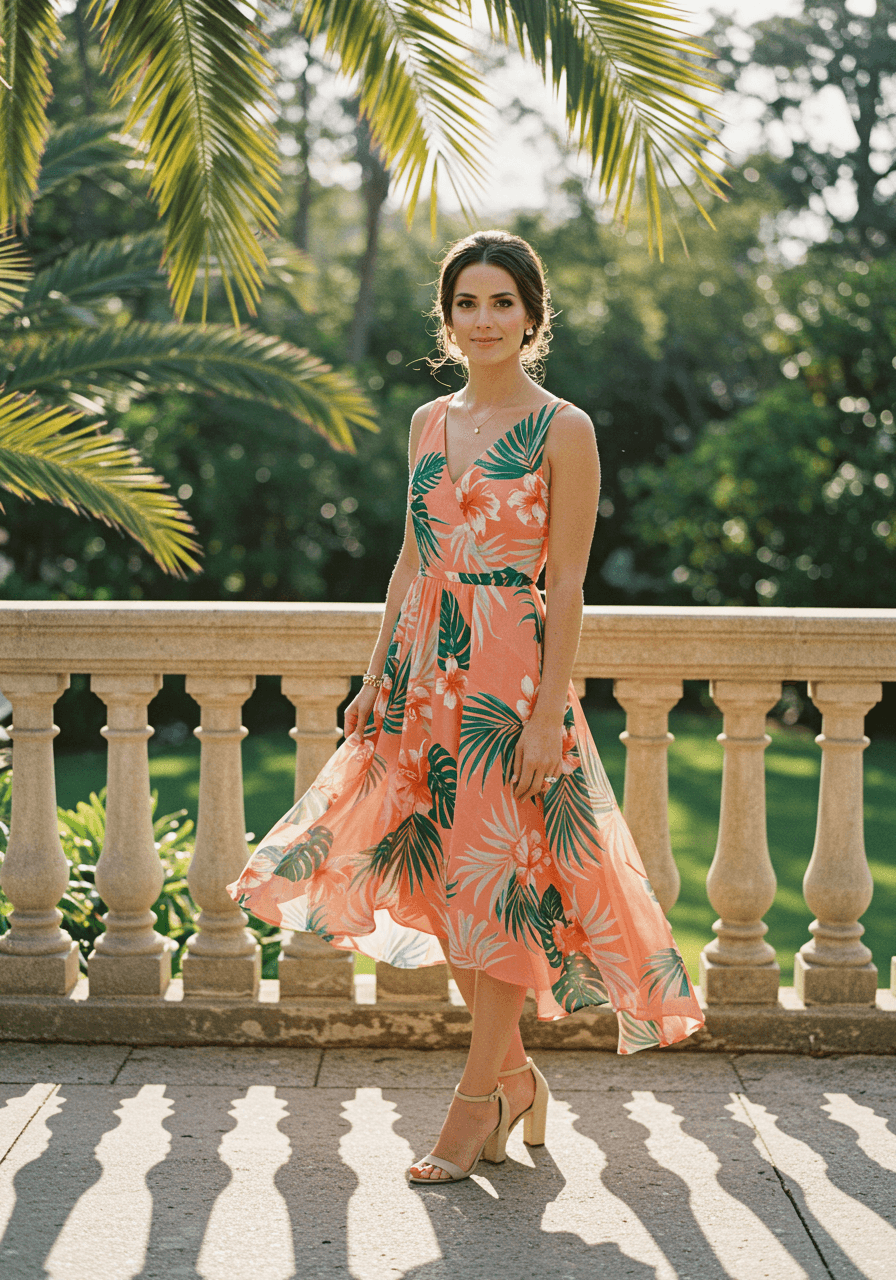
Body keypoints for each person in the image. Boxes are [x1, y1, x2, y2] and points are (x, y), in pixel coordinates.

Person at [227, 229, 704, 1184]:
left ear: (532, 317)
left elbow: (565, 582)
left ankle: (476, 1100)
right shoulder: (428, 423)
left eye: (502, 303)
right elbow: (410, 558)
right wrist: (374, 677)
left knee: (495, 886)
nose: (483, 320)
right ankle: (515, 1076)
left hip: (506, 677)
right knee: (445, 880)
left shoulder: (563, 427)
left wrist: (540, 716)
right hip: (422, 672)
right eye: (467, 304)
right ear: (445, 320)